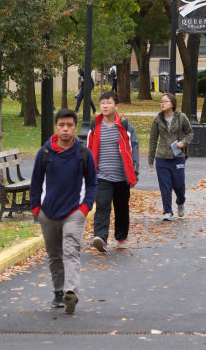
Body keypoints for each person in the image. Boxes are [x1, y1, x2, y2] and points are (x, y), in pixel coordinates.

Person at [30, 108, 97, 314]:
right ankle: (59, 292)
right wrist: (36, 209)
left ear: (75, 128)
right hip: (48, 213)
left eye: (69, 125)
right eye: (62, 125)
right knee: (54, 255)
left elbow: (93, 183)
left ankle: (71, 292)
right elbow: (35, 182)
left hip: (74, 213)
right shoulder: (45, 153)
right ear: (56, 127)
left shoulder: (83, 153)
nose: (65, 129)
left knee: (71, 251)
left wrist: (84, 208)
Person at [87, 91, 140, 252]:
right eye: (102, 102)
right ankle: (100, 238)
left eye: (108, 102)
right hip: (102, 175)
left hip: (122, 176)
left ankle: (121, 237)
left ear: (116, 106)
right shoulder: (95, 126)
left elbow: (134, 148)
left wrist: (134, 172)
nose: (105, 105)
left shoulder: (124, 125)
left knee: (121, 208)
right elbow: (88, 150)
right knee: (102, 205)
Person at [148, 93, 193, 221]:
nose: (162, 104)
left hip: (178, 156)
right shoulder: (157, 119)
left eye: (165, 101)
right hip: (162, 157)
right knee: (165, 186)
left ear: (172, 104)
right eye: (161, 102)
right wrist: (151, 158)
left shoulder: (181, 117)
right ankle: (167, 212)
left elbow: (190, 132)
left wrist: (183, 143)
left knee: (179, 185)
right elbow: (153, 140)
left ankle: (180, 201)